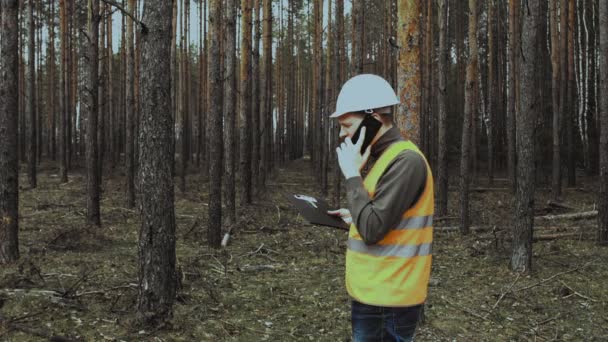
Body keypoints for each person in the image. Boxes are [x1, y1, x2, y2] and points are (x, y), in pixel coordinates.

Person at [327, 74, 434, 342]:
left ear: (373, 118)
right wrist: (355, 217)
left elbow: (373, 230)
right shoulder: (386, 158)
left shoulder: (406, 161)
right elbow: (383, 219)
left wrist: (352, 175)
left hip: (390, 299)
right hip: (377, 293)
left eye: (347, 125)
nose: (343, 133)